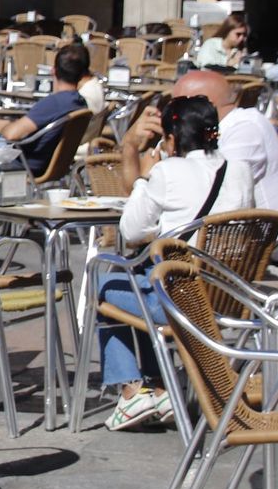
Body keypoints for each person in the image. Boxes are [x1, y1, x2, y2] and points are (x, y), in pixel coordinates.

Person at [100, 96, 256, 430]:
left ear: (171, 139)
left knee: (109, 284)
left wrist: (144, 179)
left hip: (182, 304)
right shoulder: (240, 169)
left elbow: (131, 231)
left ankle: (132, 391)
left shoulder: (167, 172)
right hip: (229, 298)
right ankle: (159, 387)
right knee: (141, 278)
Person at [173, 69, 278, 265]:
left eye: (176, 110)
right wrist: (131, 146)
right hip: (242, 257)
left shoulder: (245, 129)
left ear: (204, 107)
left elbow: (212, 195)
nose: (171, 117)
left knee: (121, 281)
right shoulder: (213, 134)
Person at [0, 44, 89, 177]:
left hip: (20, 162)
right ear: (83, 75)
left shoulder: (54, 103)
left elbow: (11, 134)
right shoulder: (80, 103)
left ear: (53, 71)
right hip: (48, 165)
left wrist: (2, 125)